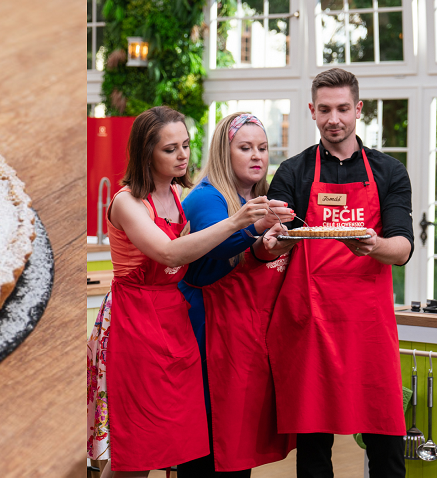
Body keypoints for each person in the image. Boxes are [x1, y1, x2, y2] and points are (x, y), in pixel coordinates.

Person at [87, 106, 274, 478]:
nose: (183, 155)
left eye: (186, 145)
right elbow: (168, 252)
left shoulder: (177, 195)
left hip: (175, 322)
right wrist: (238, 222)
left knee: (177, 443)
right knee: (136, 453)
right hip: (135, 323)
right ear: (146, 153)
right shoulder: (126, 202)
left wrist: (258, 236)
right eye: (170, 149)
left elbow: (194, 260)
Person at [265, 68, 413, 478]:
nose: (335, 119)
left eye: (343, 109)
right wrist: (274, 237)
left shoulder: (388, 172)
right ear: (312, 111)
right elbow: (274, 241)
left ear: (358, 110)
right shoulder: (293, 172)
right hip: (310, 322)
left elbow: (401, 249)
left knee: (386, 440)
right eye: (325, 109)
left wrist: (375, 245)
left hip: (367, 323)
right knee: (314, 446)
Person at [177, 113, 296, 477]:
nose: (257, 156)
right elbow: (219, 246)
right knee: (206, 448)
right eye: (245, 148)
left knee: (235, 452)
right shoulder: (206, 199)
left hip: (242, 340)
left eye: (262, 148)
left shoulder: (257, 199)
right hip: (207, 337)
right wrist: (257, 228)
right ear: (223, 153)